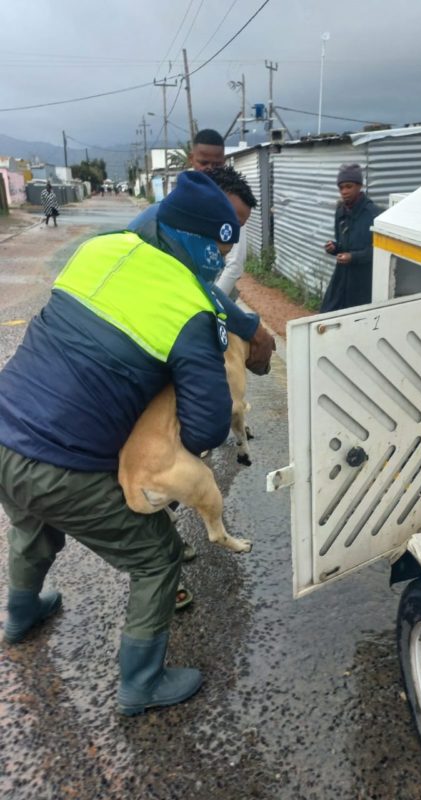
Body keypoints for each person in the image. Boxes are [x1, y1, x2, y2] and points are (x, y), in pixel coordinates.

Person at [0, 171, 243, 716]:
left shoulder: (98, 249)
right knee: (156, 557)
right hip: (64, 463)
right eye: (220, 247)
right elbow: (207, 428)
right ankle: (141, 684)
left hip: (3, 429)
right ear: (200, 242)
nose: (222, 259)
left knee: (33, 522)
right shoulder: (191, 308)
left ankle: (21, 613)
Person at [128, 164, 264, 611]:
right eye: (229, 226)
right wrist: (246, 325)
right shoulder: (158, 234)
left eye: (238, 231)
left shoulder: (182, 234)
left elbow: (205, 287)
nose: (228, 244)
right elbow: (200, 296)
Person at [190, 128, 249, 299]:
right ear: (192, 159)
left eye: (216, 165)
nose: (210, 170)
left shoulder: (230, 201)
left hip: (215, 298)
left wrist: (210, 304)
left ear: (224, 161)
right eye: (203, 163)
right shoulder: (179, 199)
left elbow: (235, 264)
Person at [321, 163, 382, 312]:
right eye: (341, 188)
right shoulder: (341, 211)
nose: (344, 191)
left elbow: (379, 251)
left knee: (356, 319)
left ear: (359, 186)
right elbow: (344, 245)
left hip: (362, 283)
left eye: (349, 186)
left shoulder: (373, 214)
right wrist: (335, 248)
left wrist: (353, 257)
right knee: (328, 315)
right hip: (341, 279)